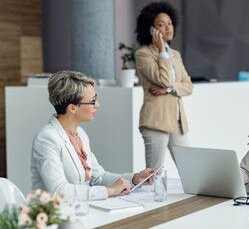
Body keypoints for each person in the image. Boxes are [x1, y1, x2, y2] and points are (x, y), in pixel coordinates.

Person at [31, 71, 156, 201]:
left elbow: (97, 177)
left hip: (80, 210)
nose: (97, 105)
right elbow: (58, 190)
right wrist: (109, 191)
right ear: (72, 108)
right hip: (54, 215)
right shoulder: (47, 139)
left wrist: (135, 179)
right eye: (92, 101)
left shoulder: (81, 134)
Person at [135, 1, 193, 168]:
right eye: (161, 24)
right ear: (151, 30)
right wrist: (161, 51)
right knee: (154, 175)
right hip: (156, 121)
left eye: (170, 23)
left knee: (189, 168)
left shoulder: (175, 54)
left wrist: (169, 89)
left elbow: (188, 86)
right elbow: (164, 79)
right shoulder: (143, 54)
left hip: (177, 121)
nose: (168, 28)